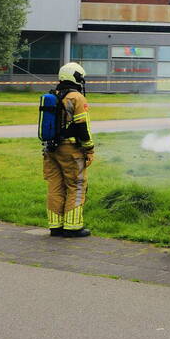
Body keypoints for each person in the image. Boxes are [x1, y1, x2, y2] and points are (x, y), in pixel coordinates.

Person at [44, 62, 95, 238]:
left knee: (55, 186)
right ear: (76, 77)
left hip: (50, 150)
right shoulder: (77, 98)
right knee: (77, 185)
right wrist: (89, 149)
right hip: (70, 150)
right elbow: (83, 127)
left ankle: (55, 226)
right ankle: (73, 227)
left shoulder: (53, 95)